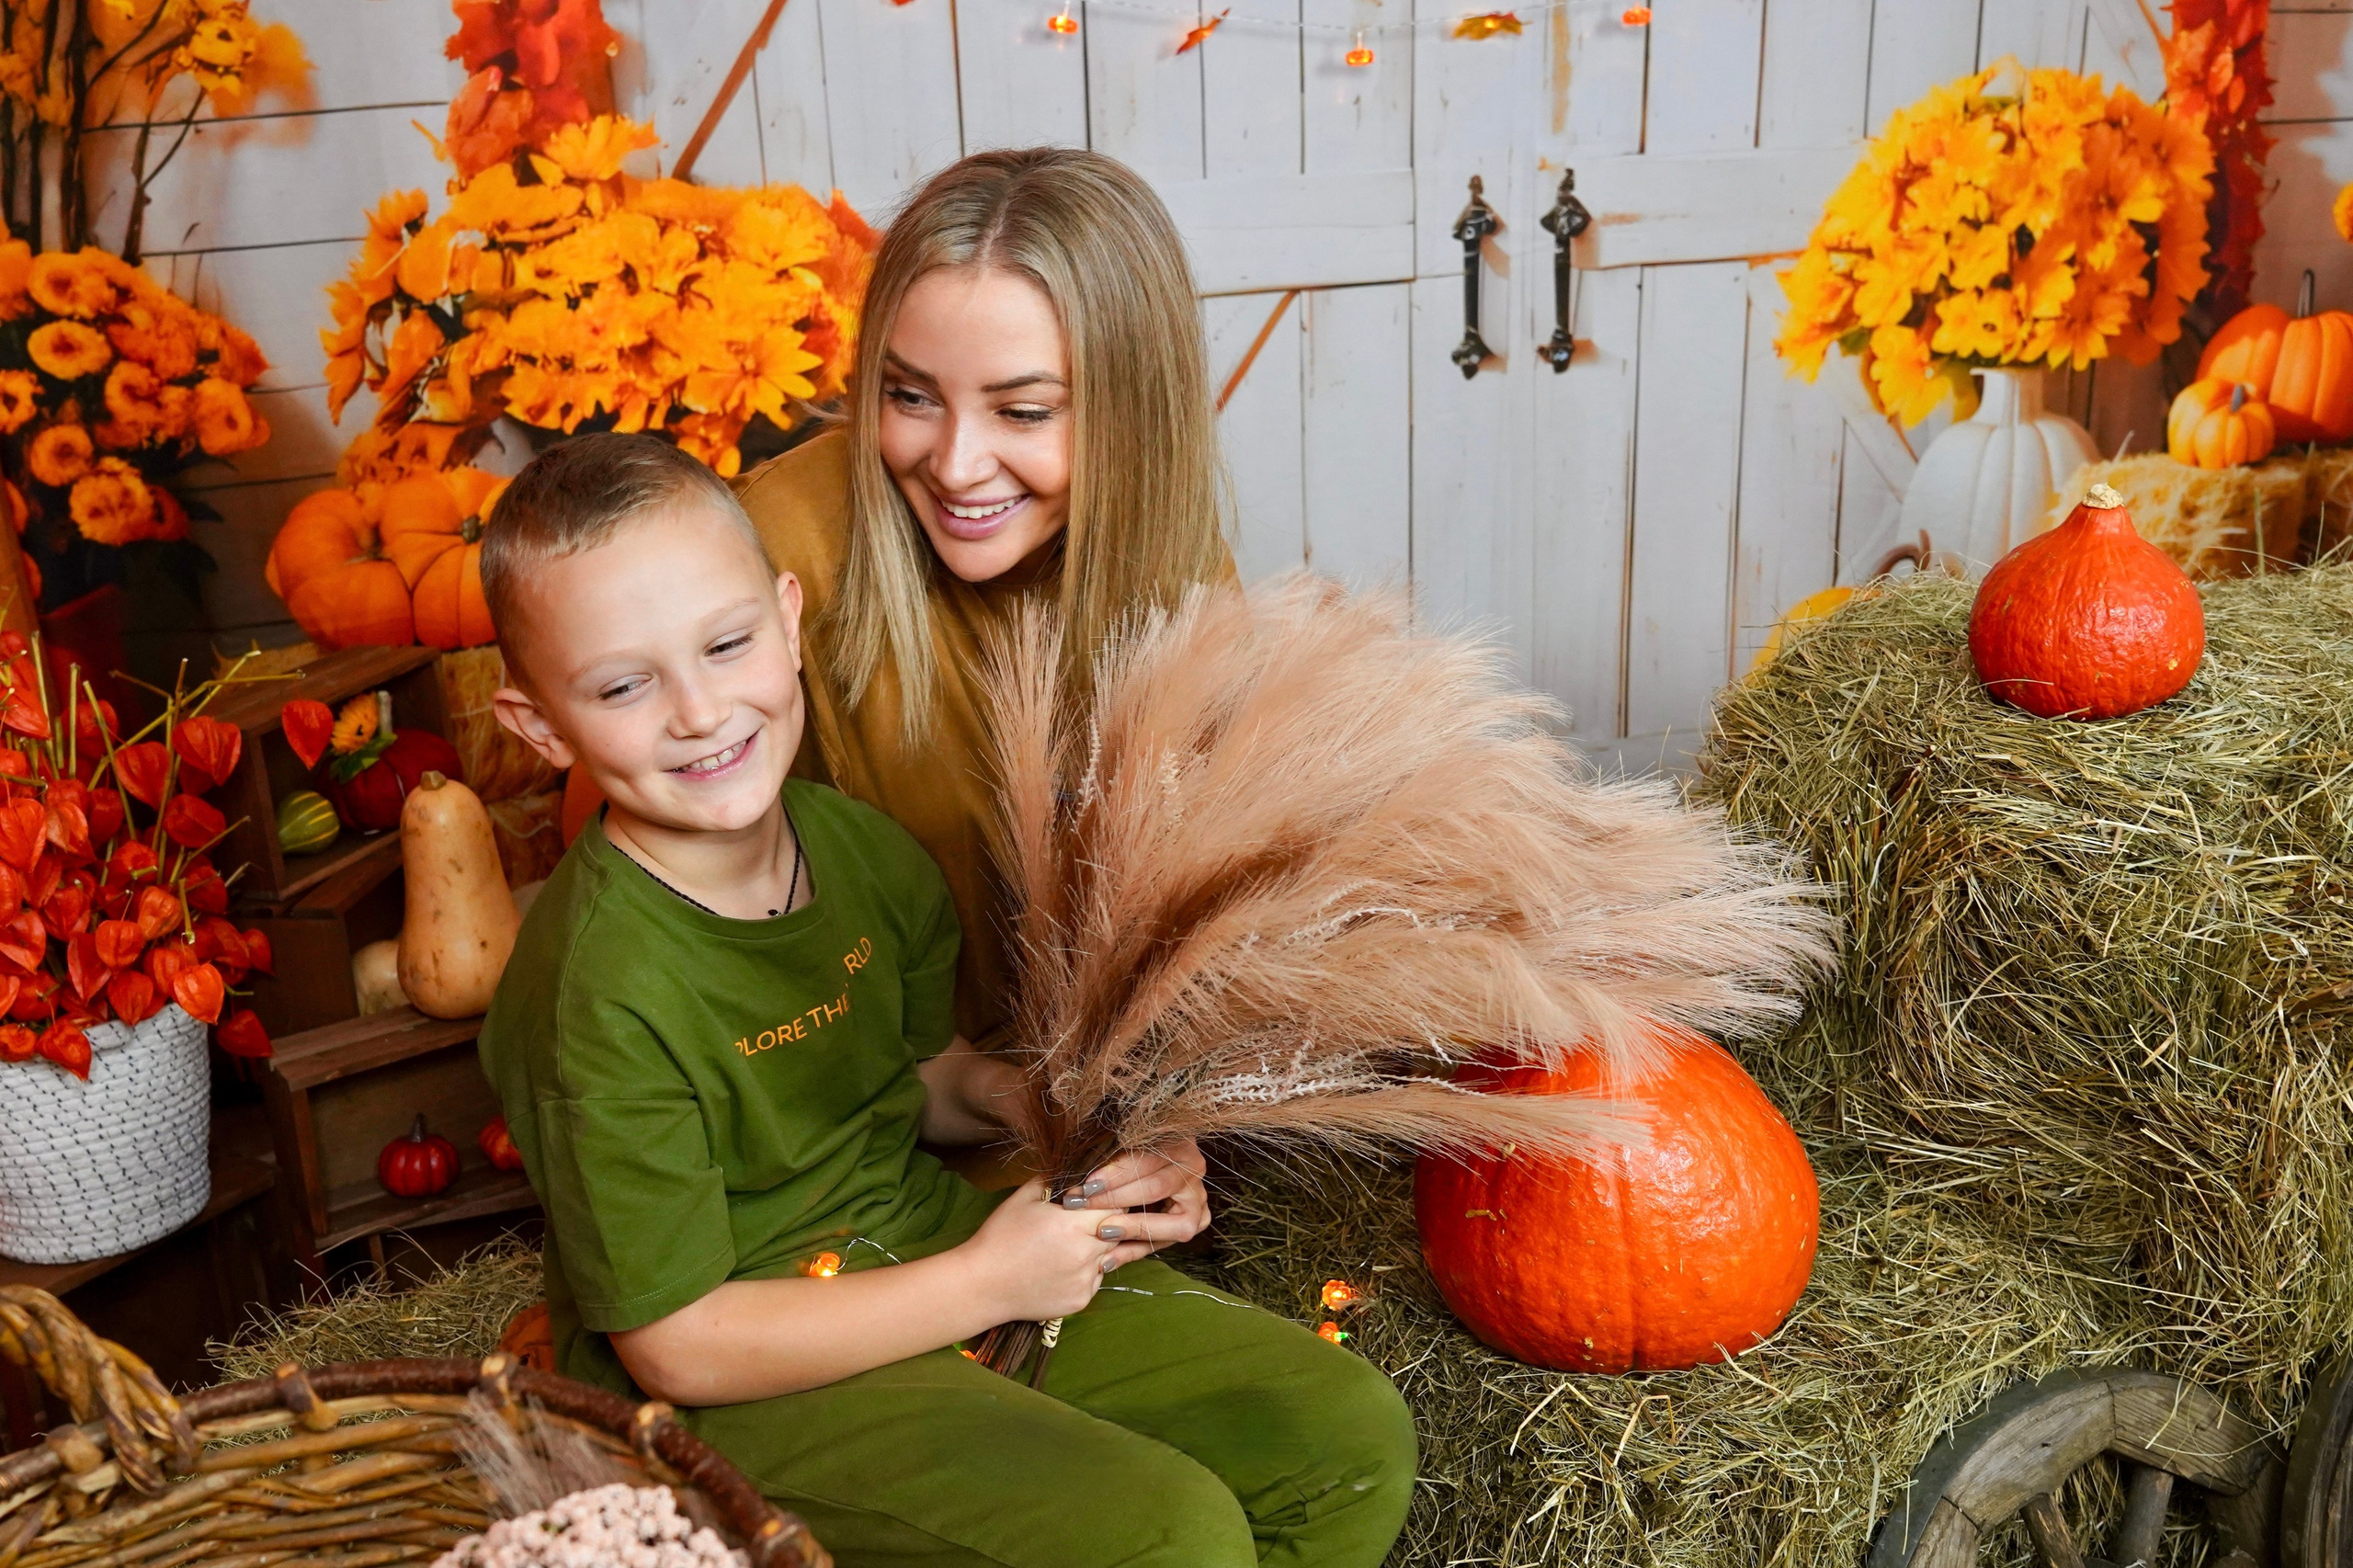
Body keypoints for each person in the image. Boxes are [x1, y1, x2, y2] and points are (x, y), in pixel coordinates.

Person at [477, 437, 1415, 1562]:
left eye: (725, 645)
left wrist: (1048, 1112)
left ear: (787, 622)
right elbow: (678, 1343)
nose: (697, 710)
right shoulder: (593, 989)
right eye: (624, 684)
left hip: (908, 1242)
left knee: (1341, 1432)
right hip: (739, 1372)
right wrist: (986, 1281)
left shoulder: (860, 850)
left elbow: (919, 1076)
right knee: (1171, 1533)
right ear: (538, 726)